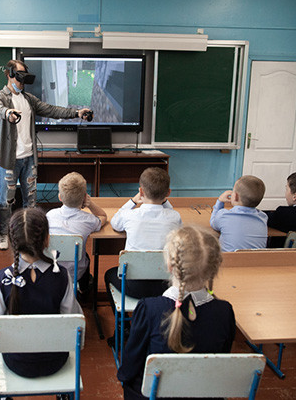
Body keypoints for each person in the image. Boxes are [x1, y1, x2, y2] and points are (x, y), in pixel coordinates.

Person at [117, 226, 235, 400]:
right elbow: (221, 361)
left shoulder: (149, 309)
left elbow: (131, 364)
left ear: (170, 265)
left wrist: (124, 378)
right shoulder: (224, 311)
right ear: (214, 269)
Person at [0, 59, 92, 250]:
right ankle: (4, 234)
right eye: (19, 77)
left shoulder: (29, 99)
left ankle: (29, 234)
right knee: (6, 201)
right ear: (10, 75)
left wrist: (77, 113)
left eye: (24, 78)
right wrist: (8, 113)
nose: (22, 82)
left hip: (29, 158)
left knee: (30, 201)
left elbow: (52, 110)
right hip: (9, 160)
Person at [0, 207, 82, 379]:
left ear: (12, 241)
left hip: (16, 361)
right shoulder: (61, 275)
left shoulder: (2, 278)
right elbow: (73, 320)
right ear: (47, 239)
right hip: (55, 360)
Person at [104, 167, 181, 300]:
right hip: (165, 286)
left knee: (109, 274)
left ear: (141, 191)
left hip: (134, 287)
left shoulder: (129, 215)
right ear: (168, 193)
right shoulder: (174, 217)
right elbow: (173, 215)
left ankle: (124, 314)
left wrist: (132, 202)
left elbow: (115, 223)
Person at [46, 171, 107, 294]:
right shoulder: (88, 220)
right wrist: (90, 204)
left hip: (51, 269)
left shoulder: (49, 215)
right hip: (75, 273)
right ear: (85, 198)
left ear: (60, 197)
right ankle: (84, 288)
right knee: (85, 257)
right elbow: (103, 216)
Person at [210, 175, 268, 252]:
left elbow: (213, 223)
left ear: (235, 196)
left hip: (228, 259)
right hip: (256, 259)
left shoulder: (224, 215)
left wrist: (220, 201)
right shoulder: (263, 217)